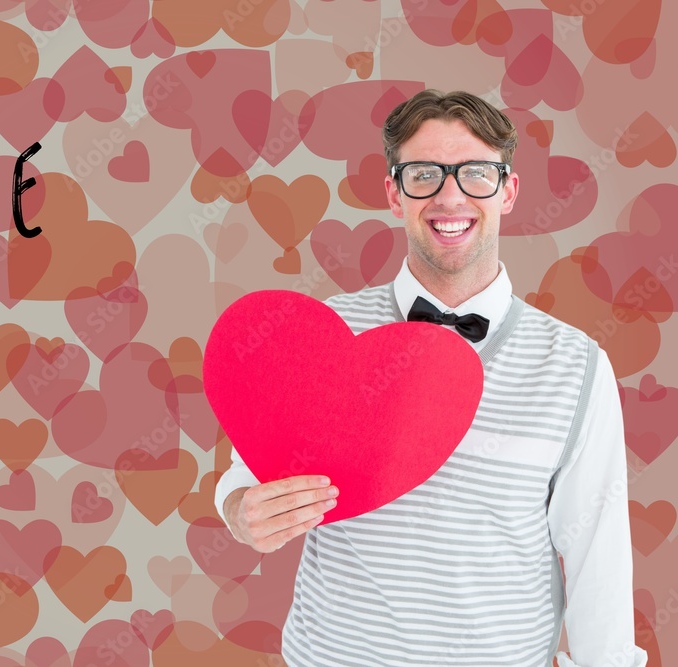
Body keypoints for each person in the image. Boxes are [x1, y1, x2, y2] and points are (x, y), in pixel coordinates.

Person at [214, 90, 647, 667]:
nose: (450, 196)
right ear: (393, 193)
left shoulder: (576, 365)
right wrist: (241, 513)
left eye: (475, 173)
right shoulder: (330, 332)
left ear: (508, 191)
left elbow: (598, 551)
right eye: (423, 174)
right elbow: (246, 479)